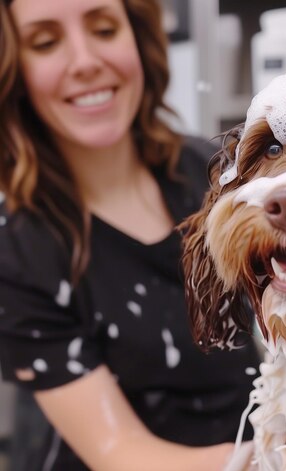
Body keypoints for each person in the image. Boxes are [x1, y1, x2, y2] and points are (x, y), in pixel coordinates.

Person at [0, 0, 260, 469]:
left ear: (139, 39)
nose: (85, 62)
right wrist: (281, 458)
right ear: (14, 68)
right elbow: (120, 453)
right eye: (45, 42)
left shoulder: (219, 176)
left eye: (103, 29)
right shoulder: (18, 251)